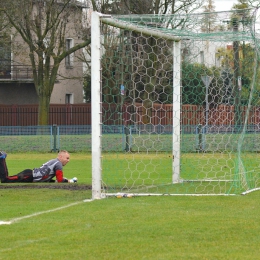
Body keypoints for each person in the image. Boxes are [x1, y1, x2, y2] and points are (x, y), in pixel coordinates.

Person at [0, 150, 77, 183]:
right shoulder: (58, 164)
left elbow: (47, 177)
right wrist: (69, 181)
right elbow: (59, 180)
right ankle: (2, 158)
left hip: (29, 175)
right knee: (5, 180)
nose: (68, 160)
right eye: (67, 158)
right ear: (60, 157)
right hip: (29, 176)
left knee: (6, 179)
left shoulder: (55, 161)